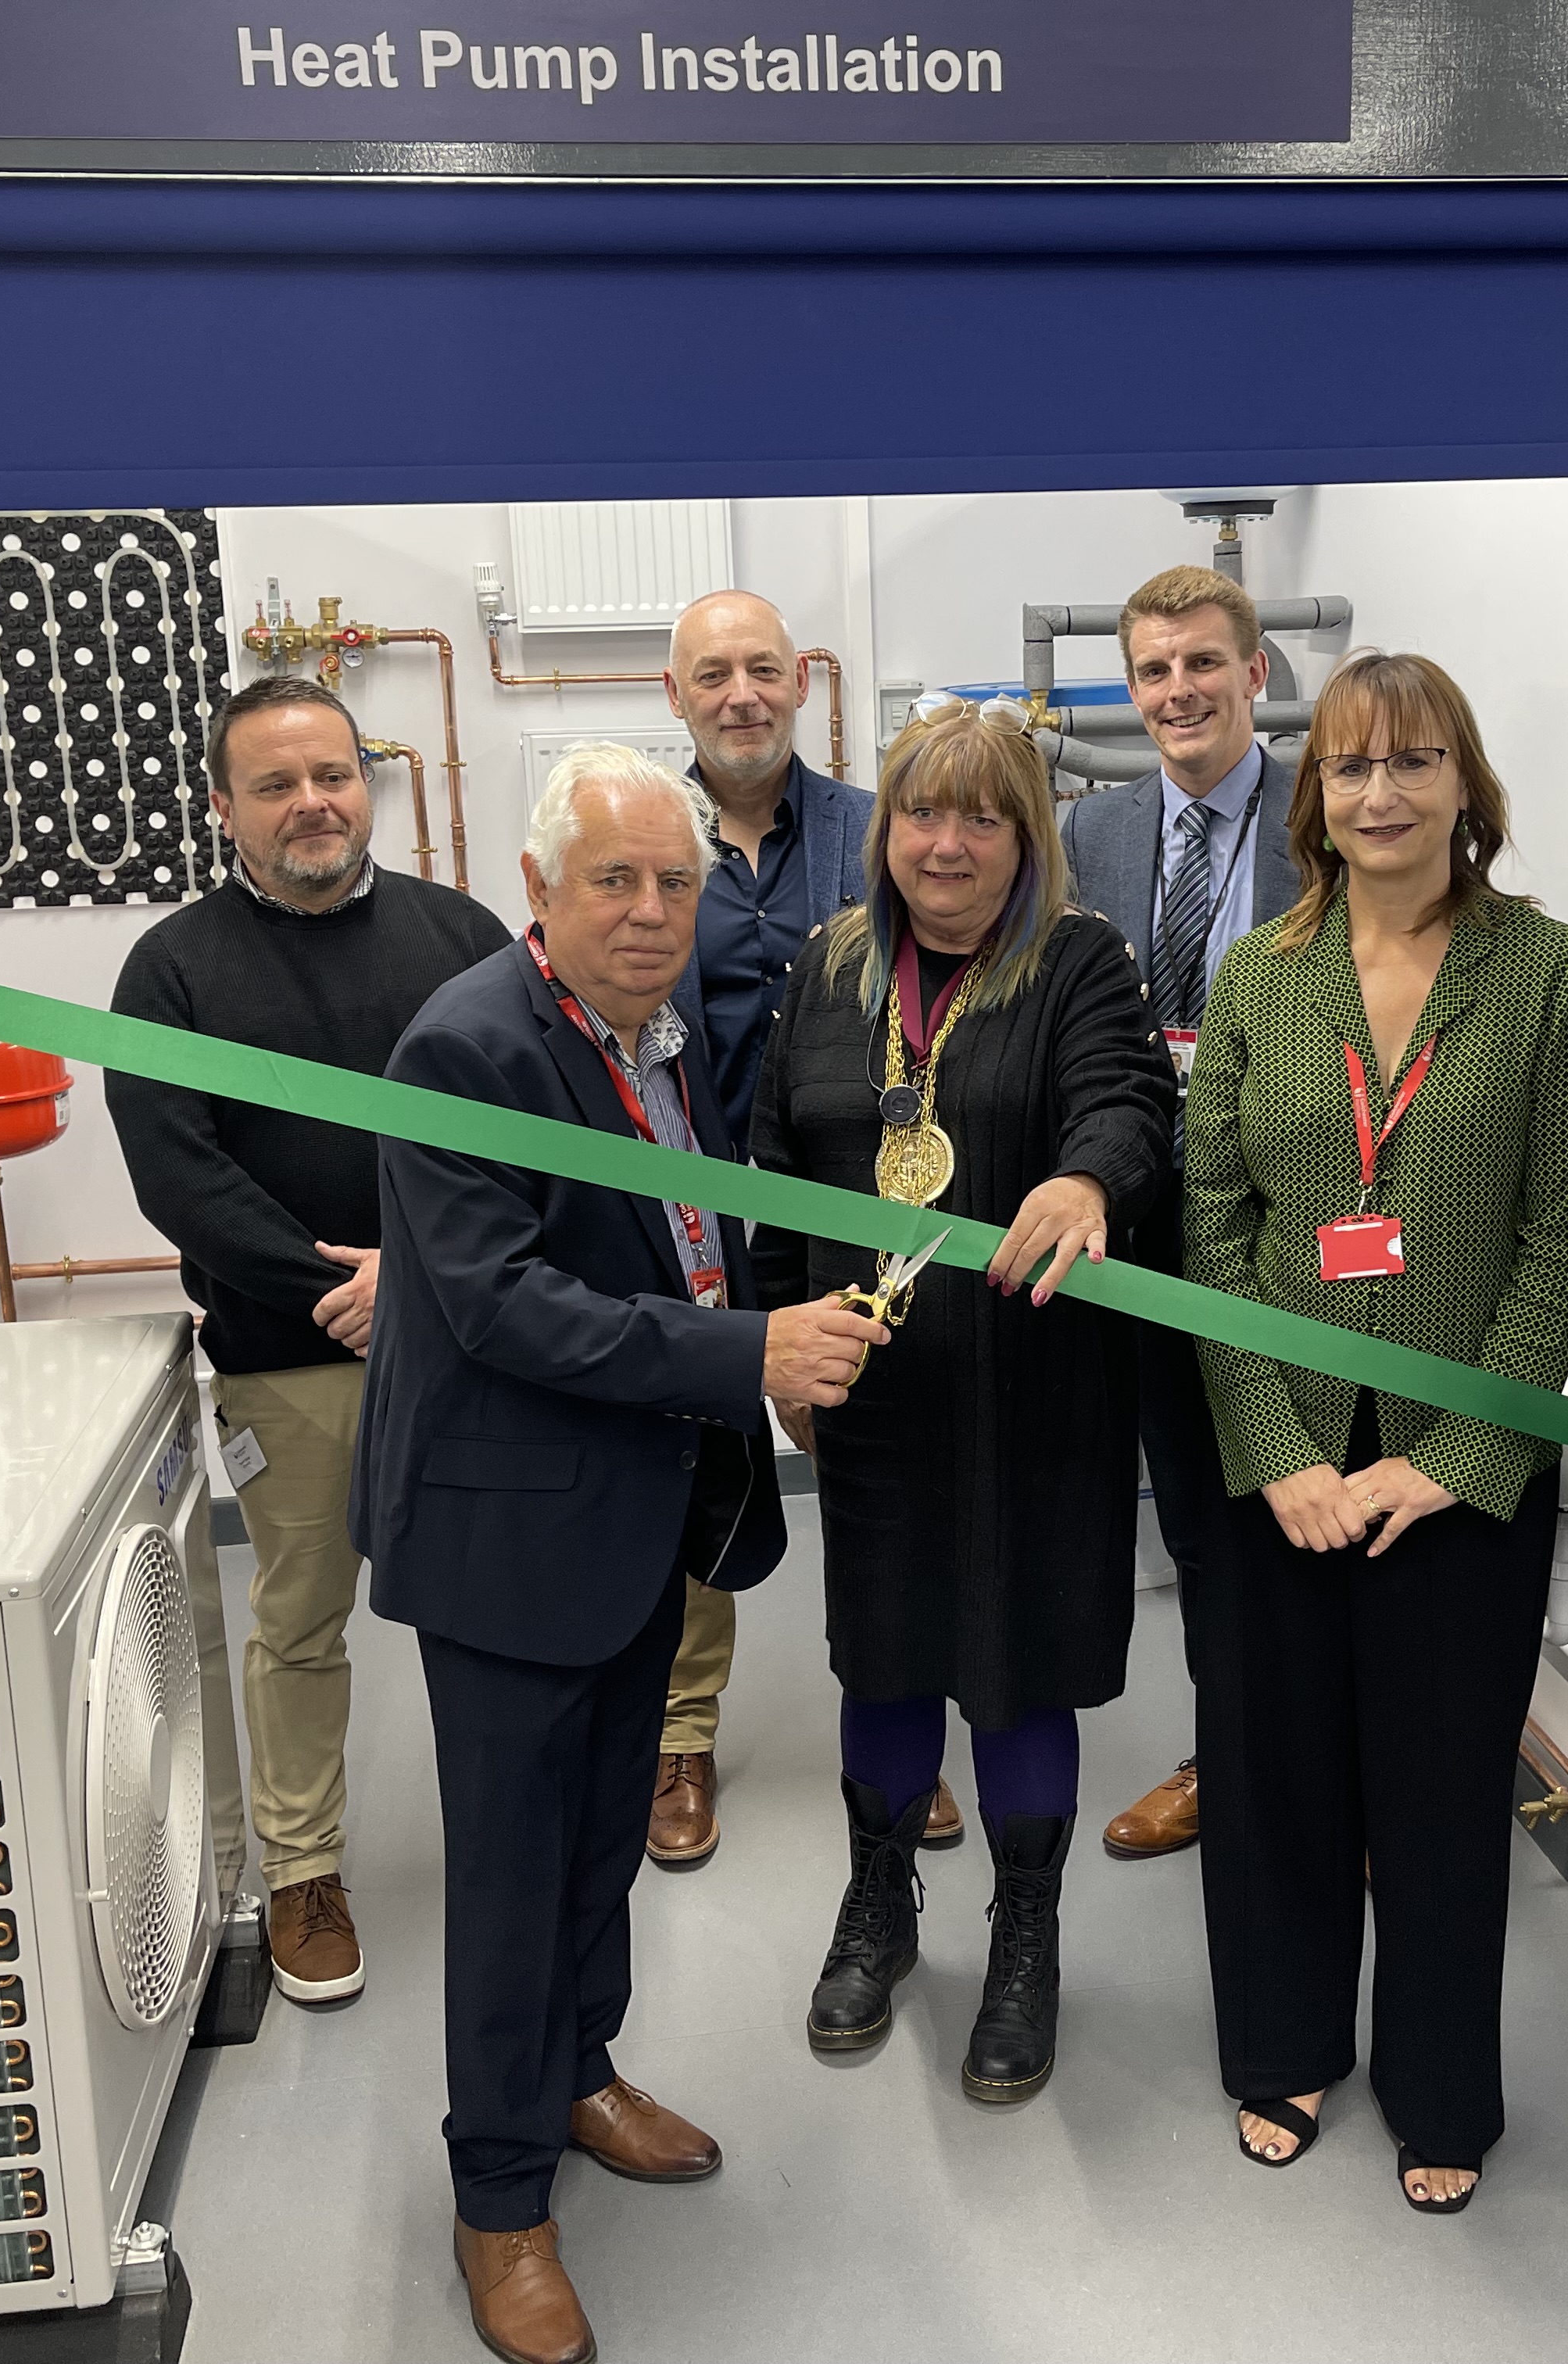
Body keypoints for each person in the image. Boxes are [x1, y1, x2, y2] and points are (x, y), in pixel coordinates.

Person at [350, 743, 887, 2364]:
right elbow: (508, 1304)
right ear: (540, 891)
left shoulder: (661, 1043)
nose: (652, 910)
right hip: (509, 1541)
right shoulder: (466, 1050)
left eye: (673, 881)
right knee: (512, 1881)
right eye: (615, 881)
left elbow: (687, 1231)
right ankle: (498, 2202)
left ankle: (578, 2075)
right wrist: (753, 1361)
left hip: (628, 1520)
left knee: (594, 1848)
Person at [1186, 650, 1568, 2212]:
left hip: (1461, 1461)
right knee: (1276, 1771)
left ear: (1465, 789)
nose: (1383, 793)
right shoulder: (1260, 979)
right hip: (1280, 1462)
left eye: (1416, 762)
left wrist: (1450, 1465)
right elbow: (1212, 1231)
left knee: (1441, 1795)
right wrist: (1279, 1450)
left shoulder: (1546, 973)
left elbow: (1560, 1243)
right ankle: (1287, 2041)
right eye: (1355, 766)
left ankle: (1443, 2088)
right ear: (1317, 795)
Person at [751, 697, 1178, 2101]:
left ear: (1025, 837)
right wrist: (771, 1342)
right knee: (881, 1658)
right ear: (887, 833)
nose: (947, 843)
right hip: (870, 1397)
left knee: (1017, 1669)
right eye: (923, 813)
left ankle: (1026, 1939)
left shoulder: (1077, 964)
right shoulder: (828, 972)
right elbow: (771, 1173)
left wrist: (1084, 1175)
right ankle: (877, 1908)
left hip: (1033, 1403)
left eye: (981, 816)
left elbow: (1128, 1107)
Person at [109, 672, 510, 2004]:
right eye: (275, 783)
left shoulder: (462, 935)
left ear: (366, 784)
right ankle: (302, 1870)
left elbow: (527, 1127)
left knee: (493, 1608)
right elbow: (180, 1174)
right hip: (291, 1356)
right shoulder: (169, 970)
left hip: (471, 1341)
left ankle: (512, 1844)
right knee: (299, 1621)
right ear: (224, 807)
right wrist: (336, 1282)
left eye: (331, 775)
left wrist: (425, 1276)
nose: (311, 803)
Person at [646, 589, 922, 1869]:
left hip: (854, 1221)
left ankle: (907, 1735)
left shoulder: (877, 837)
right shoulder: (644, 840)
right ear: (677, 696)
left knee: (885, 1478)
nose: (741, 694)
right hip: (687, 1210)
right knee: (695, 1470)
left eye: (764, 669)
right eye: (715, 674)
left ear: (801, 684)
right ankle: (681, 1737)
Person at [1065, 564, 1304, 1864]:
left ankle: (1314, 1763)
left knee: (1292, 1502)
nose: (1179, 692)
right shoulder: (1091, 836)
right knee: (1194, 1512)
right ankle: (1227, 1759)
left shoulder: (1322, 821)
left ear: (1255, 675)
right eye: (1154, 671)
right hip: (1141, 1223)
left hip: (1294, 1227)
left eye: (1203, 664)